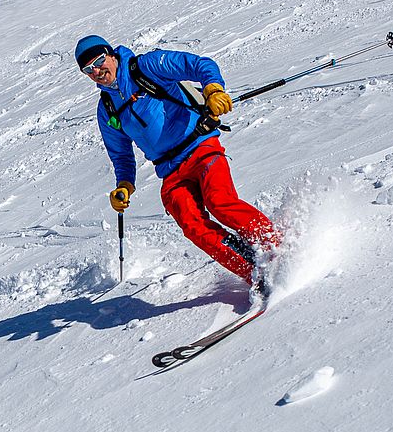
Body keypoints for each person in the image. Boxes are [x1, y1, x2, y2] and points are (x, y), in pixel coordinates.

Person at [75, 35, 281, 296]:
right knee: (191, 223)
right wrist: (124, 186)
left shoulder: (146, 67)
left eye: (99, 61)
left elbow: (198, 64)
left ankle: (277, 245)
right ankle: (254, 272)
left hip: (200, 148)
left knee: (219, 201)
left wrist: (213, 89)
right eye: (88, 69)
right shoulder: (107, 108)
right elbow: (122, 156)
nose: (96, 71)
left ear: (110, 54)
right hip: (171, 171)